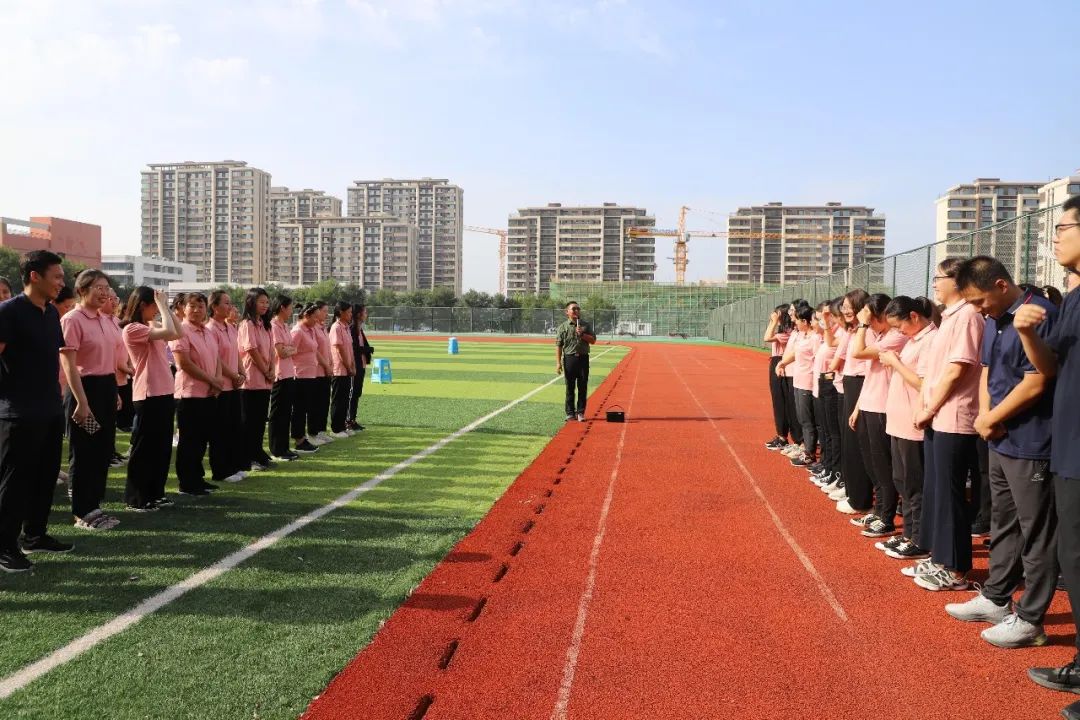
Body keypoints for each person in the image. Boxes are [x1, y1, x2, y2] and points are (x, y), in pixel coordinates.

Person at [941, 256, 1059, 649]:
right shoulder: (993, 319)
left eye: (979, 301)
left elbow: (1037, 380)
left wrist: (993, 418)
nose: (977, 310)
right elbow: (988, 371)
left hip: (1032, 441)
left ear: (1000, 285)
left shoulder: (1037, 314)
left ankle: (1031, 618)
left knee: (1037, 531)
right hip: (999, 436)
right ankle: (995, 598)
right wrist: (985, 416)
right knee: (1003, 522)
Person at [1016, 197, 1080, 713]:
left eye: (1062, 227)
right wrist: (1026, 332)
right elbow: (1051, 365)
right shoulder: (1076, 296)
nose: (1055, 237)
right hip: (1068, 449)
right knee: (1072, 559)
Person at [908, 257, 985, 592]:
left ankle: (956, 570)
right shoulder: (949, 317)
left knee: (951, 494)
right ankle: (941, 557)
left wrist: (931, 407)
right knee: (938, 491)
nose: (934, 284)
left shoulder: (968, 315)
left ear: (957, 280)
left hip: (955, 417)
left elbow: (957, 370)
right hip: (939, 416)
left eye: (939, 277)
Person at [0, 251, 73, 572]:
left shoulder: (50, 314)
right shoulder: (9, 312)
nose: (62, 282)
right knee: (15, 482)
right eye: (56, 276)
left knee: (44, 478)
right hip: (18, 412)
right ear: (34, 276)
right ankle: (4, 547)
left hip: (49, 408)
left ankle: (35, 535)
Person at [876, 296, 937, 561]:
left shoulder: (930, 340)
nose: (897, 332)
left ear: (914, 316)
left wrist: (895, 362)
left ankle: (918, 539)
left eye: (899, 325)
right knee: (902, 481)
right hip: (899, 422)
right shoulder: (913, 340)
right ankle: (909, 534)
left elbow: (923, 383)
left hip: (914, 424)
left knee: (915, 485)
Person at [60, 270, 121, 530]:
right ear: (82, 289)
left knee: (102, 450)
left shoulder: (106, 320)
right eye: (98, 287)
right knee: (84, 450)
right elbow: (69, 365)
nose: (104, 292)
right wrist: (82, 403)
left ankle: (95, 505)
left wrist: (114, 391)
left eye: (106, 287)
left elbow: (109, 360)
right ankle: (82, 511)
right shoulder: (73, 319)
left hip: (106, 388)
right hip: (84, 391)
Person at [848, 293, 908, 537]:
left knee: (884, 466)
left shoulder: (895, 336)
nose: (869, 324)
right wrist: (858, 407)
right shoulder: (881, 334)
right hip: (870, 404)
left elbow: (857, 353)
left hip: (883, 407)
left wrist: (862, 325)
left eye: (872, 319)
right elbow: (868, 374)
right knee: (874, 464)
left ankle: (887, 517)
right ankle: (880, 508)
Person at [121, 287, 181, 511]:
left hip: (164, 390)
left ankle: (156, 492)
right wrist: (164, 307)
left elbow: (177, 333)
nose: (157, 310)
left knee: (162, 447)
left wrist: (167, 307)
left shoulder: (151, 325)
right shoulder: (132, 328)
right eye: (154, 306)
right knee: (144, 448)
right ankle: (136, 497)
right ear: (143, 305)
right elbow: (168, 330)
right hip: (148, 393)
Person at [170, 293, 224, 496]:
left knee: (202, 439)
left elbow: (217, 358)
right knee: (189, 440)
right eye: (191, 306)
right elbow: (184, 363)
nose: (196, 310)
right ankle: (187, 482)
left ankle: (198, 478)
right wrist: (212, 381)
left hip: (209, 393)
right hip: (190, 394)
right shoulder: (181, 331)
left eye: (201, 306)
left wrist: (217, 380)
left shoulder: (207, 331)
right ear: (183, 308)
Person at [832, 289, 874, 515]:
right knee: (849, 441)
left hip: (860, 383)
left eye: (849, 307)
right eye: (844, 307)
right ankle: (852, 490)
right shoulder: (853, 330)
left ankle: (860, 498)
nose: (845, 311)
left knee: (856, 442)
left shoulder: (865, 331)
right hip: (850, 383)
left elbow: (864, 360)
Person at [207, 291, 246, 484]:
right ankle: (220, 470)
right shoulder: (211, 329)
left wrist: (242, 372)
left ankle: (233, 465)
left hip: (235, 385)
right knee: (220, 430)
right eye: (226, 303)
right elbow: (216, 359)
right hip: (221, 386)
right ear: (214, 307)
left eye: (230, 303)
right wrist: (233, 375)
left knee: (233, 427)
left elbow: (237, 353)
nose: (230, 307)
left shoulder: (230, 328)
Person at [776, 305, 820, 467]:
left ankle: (809, 453)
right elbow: (794, 353)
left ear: (805, 321)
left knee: (807, 420)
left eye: (799, 320)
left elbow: (818, 359)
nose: (795, 323)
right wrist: (782, 363)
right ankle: (806, 449)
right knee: (801, 418)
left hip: (808, 382)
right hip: (798, 381)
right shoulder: (802, 336)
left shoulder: (815, 338)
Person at [238, 288, 275, 471]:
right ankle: (247, 456)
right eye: (261, 302)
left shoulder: (265, 325)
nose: (265, 306)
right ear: (251, 303)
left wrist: (271, 370)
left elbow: (270, 351)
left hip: (264, 381)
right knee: (249, 421)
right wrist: (265, 370)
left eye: (267, 302)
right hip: (251, 379)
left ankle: (257, 451)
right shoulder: (247, 324)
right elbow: (251, 350)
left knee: (260, 420)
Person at [268, 295, 299, 462]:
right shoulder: (274, 326)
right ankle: (276, 449)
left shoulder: (285, 327)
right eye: (290, 307)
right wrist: (289, 350)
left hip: (289, 373)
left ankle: (284, 447)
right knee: (277, 413)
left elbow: (293, 349)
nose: (291, 310)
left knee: (286, 413)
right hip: (279, 374)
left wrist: (289, 350)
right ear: (282, 308)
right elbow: (281, 352)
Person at [555, 301, 596, 422]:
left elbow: (593, 340)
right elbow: (558, 345)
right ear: (567, 312)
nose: (577, 311)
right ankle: (570, 413)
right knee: (570, 387)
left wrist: (582, 334)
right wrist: (558, 363)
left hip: (583, 359)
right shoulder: (563, 327)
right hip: (569, 359)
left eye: (578, 309)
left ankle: (581, 412)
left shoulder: (586, 325)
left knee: (582, 387)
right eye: (574, 309)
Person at [290, 304, 322, 453]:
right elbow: (290, 353)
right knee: (299, 409)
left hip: (310, 375)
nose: (317, 319)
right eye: (315, 316)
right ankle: (299, 440)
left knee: (305, 408)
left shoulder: (310, 331)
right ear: (307, 316)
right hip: (300, 375)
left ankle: (302, 437)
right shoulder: (297, 331)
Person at [763, 304, 794, 450]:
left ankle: (783, 437)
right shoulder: (783, 331)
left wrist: (774, 321)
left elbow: (767, 337)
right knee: (778, 400)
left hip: (781, 363)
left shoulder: (787, 332)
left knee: (781, 401)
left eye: (777, 314)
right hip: (777, 362)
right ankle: (781, 434)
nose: (774, 315)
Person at [329, 302, 355, 437]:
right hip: (339, 368)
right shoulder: (336, 328)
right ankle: (336, 428)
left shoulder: (346, 328)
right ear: (341, 312)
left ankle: (342, 426)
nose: (351, 314)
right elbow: (339, 349)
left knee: (345, 399)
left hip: (347, 368)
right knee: (338, 399)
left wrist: (352, 366)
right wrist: (348, 366)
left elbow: (350, 350)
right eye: (349, 312)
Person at [309, 301, 334, 445]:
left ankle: (321, 431)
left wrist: (330, 364)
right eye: (324, 311)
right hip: (317, 371)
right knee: (315, 404)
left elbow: (327, 349)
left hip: (326, 371)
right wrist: (325, 364)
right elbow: (316, 351)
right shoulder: (313, 328)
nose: (326, 314)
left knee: (324, 403)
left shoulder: (323, 328)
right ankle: (313, 433)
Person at [347, 304, 372, 432]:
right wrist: (367, 349)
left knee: (356, 393)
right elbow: (354, 348)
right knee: (352, 394)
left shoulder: (359, 329)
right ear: (359, 314)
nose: (366, 314)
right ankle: (349, 421)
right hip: (355, 365)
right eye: (364, 312)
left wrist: (367, 350)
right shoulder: (352, 328)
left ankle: (353, 419)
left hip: (360, 364)